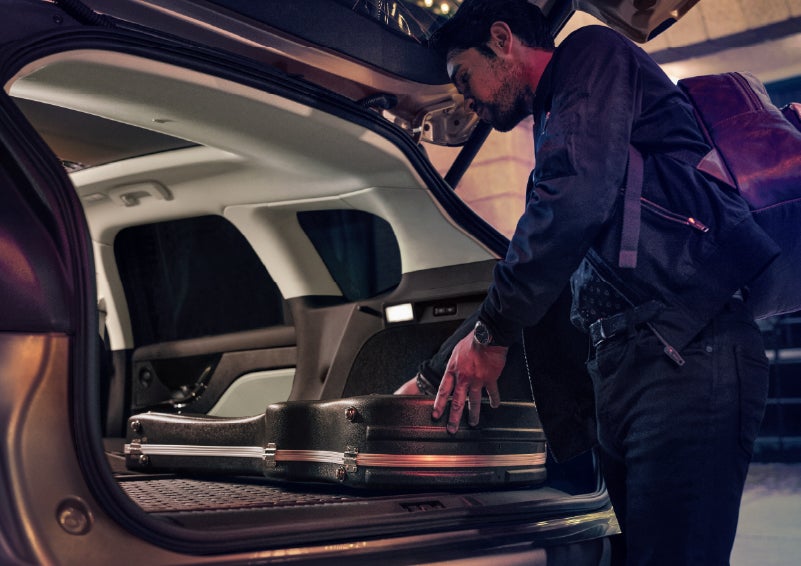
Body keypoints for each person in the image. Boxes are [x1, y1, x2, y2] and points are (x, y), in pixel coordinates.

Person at [397, 1, 778, 564]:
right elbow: (548, 261)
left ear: (502, 40)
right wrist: (434, 378)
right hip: (630, 367)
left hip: (689, 350)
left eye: (463, 77)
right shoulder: (559, 123)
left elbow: (569, 203)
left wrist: (492, 335)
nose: (465, 99)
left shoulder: (591, 57)